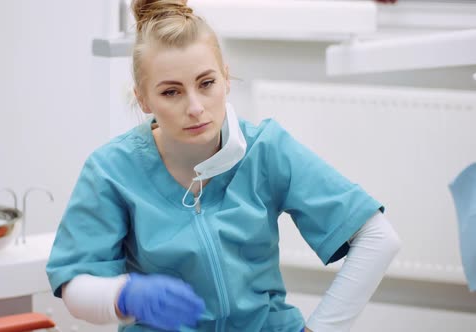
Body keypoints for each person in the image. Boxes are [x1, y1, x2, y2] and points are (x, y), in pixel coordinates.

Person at [46, 0, 401, 331]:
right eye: (171, 92)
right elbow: (75, 284)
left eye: (207, 83)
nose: (196, 107)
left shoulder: (265, 149)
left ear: (226, 79)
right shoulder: (112, 171)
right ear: (143, 99)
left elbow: (377, 237)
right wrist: (122, 296)